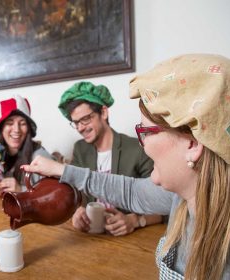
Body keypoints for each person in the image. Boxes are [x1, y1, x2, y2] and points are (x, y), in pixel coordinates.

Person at [22, 54, 230, 280]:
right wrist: (62, 170)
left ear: (192, 144)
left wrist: (135, 221)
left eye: (146, 132)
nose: (142, 144)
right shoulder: (180, 198)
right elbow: (130, 191)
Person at [58, 81, 161, 236]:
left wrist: (135, 221)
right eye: (76, 122)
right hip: (91, 236)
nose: (80, 128)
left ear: (104, 112)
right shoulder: (80, 148)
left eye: (85, 119)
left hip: (129, 240)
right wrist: (77, 210)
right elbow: (73, 191)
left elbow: (162, 203)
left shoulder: (137, 148)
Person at [0, 95, 52, 196]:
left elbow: (53, 193)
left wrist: (21, 189)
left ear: (28, 128)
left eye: (22, 123)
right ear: (1, 128)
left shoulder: (40, 156)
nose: (16, 130)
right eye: (10, 123)